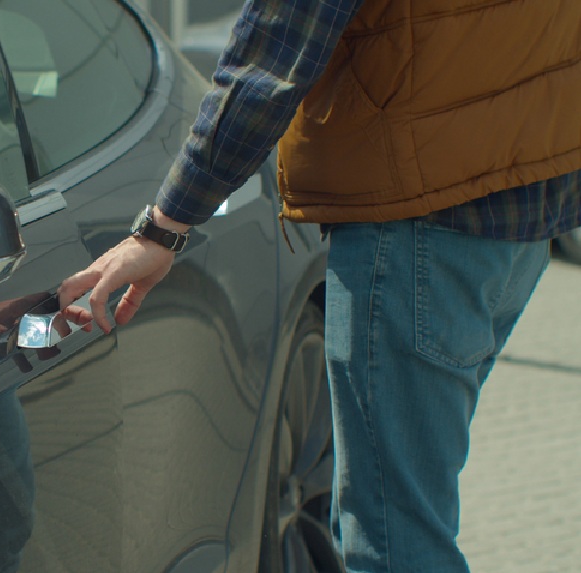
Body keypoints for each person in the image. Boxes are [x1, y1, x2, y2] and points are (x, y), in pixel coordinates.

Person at [57, 1, 581, 571]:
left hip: (419, 218)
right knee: (403, 509)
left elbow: (274, 52)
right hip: (524, 205)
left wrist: (165, 226)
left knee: (394, 535)